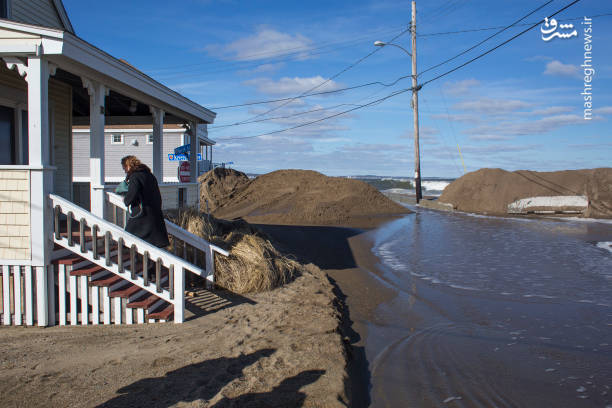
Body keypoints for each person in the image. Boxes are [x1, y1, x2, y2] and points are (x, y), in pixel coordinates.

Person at [121, 155, 170, 248]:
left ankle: (136, 259)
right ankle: (148, 262)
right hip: (154, 213)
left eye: (124, 168)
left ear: (129, 166)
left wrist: (126, 200)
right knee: (153, 244)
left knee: (128, 239)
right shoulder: (149, 175)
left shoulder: (135, 177)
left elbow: (132, 194)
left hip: (141, 214)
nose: (125, 170)